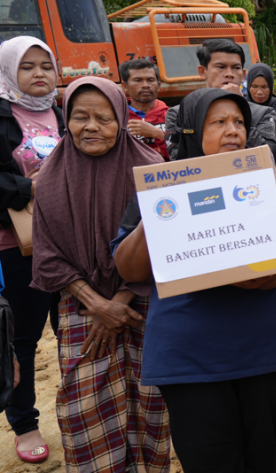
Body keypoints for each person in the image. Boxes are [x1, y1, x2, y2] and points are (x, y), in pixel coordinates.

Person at [112, 88, 276, 472]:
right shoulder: (159, 185)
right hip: (192, 355)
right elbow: (129, 269)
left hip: (262, 348)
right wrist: (161, 205)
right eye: (218, 122)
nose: (232, 131)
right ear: (190, 131)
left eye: (239, 122)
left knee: (259, 456)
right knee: (208, 458)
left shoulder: (267, 180)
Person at [30, 76, 171, 472]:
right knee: (85, 405)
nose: (91, 127)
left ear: (121, 120)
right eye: (80, 117)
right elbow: (47, 255)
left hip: (142, 305)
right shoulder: (51, 177)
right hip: (82, 309)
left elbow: (165, 246)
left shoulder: (152, 168)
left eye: (103, 118)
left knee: (150, 402)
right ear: (66, 120)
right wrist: (97, 304)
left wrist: (120, 299)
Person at [0, 36, 62, 463]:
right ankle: (24, 424)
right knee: (22, 337)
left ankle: (81, 411)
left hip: (69, 241)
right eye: (28, 66)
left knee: (74, 332)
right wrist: (29, 187)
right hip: (16, 246)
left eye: (46, 65)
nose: (39, 73)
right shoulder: (1, 115)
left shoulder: (64, 111)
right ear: (9, 72)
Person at [165, 39, 276, 161]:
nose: (230, 74)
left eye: (236, 67)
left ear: (243, 75)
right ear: (202, 71)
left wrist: (243, 112)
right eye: (221, 67)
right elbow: (177, 159)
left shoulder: (263, 113)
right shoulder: (179, 113)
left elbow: (268, 156)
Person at [121, 58, 170, 160]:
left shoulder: (172, 116)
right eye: (138, 80)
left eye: (150, 80)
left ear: (159, 85)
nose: (145, 85)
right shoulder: (118, 118)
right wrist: (158, 152)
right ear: (125, 86)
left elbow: (179, 155)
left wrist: (158, 134)